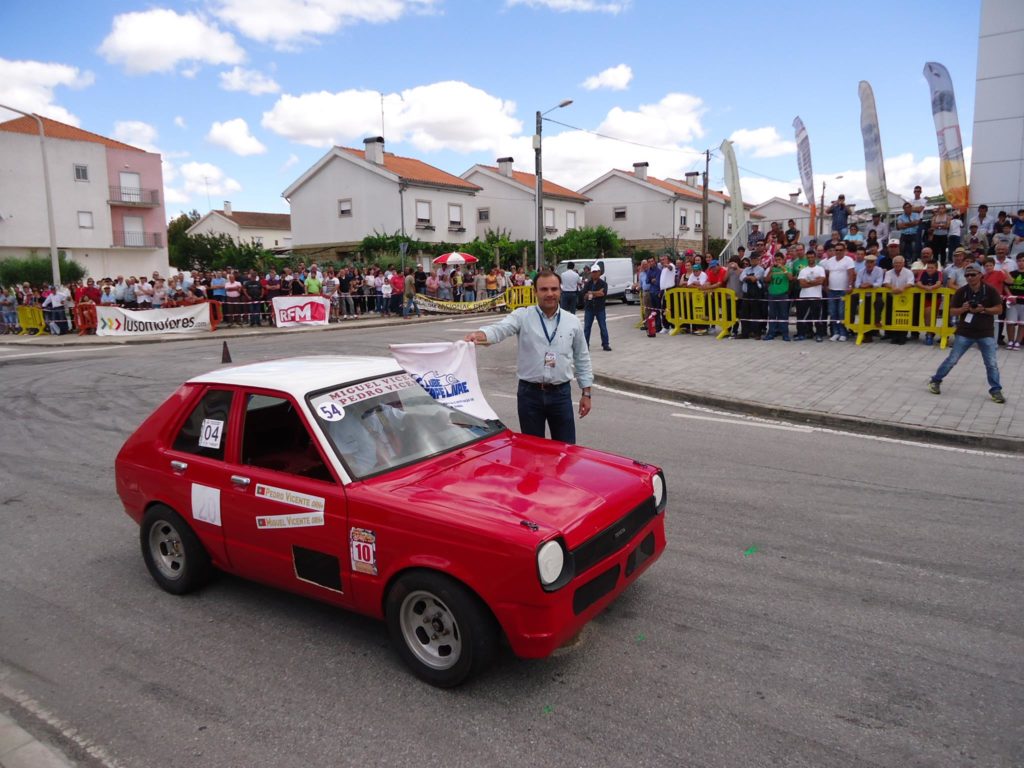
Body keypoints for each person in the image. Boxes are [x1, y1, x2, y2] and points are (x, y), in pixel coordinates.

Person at [464, 270, 593, 444]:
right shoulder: (522, 316)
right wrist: (480, 335)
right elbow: (500, 329)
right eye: (544, 289)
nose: (550, 294)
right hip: (529, 395)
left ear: (560, 290)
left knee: (566, 449)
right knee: (532, 450)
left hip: (560, 394)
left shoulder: (572, 321)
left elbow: (582, 357)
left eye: (554, 289)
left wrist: (586, 393)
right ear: (535, 291)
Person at [928, 264, 1005, 404]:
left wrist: (984, 309)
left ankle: (996, 390)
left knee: (991, 363)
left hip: (985, 332)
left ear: (980, 275)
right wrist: (962, 309)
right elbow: (951, 311)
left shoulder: (990, 290)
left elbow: (999, 309)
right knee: (952, 359)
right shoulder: (962, 291)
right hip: (965, 331)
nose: (970, 277)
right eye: (967, 275)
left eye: (973, 274)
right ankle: (935, 380)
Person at [821, 241, 856, 341]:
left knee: (841, 313)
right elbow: (827, 274)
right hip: (832, 290)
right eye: (837, 250)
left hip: (843, 291)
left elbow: (851, 274)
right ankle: (835, 332)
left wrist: (850, 285)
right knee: (832, 312)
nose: (838, 252)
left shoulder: (848, 260)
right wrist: (826, 285)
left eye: (841, 250)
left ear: (844, 250)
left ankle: (843, 333)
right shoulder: (830, 261)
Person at [581, 263, 611, 351]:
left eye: (596, 272)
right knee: (587, 327)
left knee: (603, 326)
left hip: (600, 308)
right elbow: (584, 295)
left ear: (599, 272)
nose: (594, 274)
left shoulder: (603, 283)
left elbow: (602, 293)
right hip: (589, 307)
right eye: (593, 272)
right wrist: (596, 293)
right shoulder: (588, 283)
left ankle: (605, 344)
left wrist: (591, 292)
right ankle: (585, 345)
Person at [763, 252, 791, 341]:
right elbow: (766, 280)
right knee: (772, 315)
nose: (778, 261)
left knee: (783, 315)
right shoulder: (773, 269)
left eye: (779, 259)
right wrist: (771, 270)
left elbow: (790, 278)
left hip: (783, 294)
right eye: (776, 260)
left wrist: (783, 268)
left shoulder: (787, 268)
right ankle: (771, 333)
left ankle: (785, 334)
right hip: (772, 294)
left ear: (783, 260)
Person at [1006, 253, 1024, 349]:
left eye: (1023, 261)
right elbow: (1005, 286)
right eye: (1019, 261)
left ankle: (1018, 341)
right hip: (1012, 302)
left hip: (1023, 303)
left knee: (1022, 323)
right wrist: (1010, 296)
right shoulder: (1012, 273)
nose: (1021, 263)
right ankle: (1010, 340)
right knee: (1010, 322)